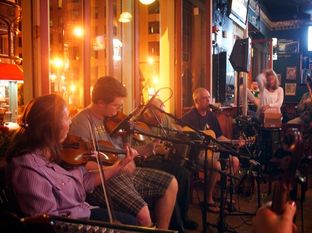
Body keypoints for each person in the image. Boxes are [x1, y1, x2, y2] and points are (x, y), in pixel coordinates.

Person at [5, 94, 137, 224]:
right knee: (131, 224)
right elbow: (50, 224)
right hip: (75, 224)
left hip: (84, 211)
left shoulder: (51, 155)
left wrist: (119, 165)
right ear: (51, 126)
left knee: (131, 221)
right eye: (66, 117)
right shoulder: (29, 170)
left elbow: (84, 181)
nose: (70, 121)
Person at [69, 76, 178, 229]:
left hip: (123, 171)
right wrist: (118, 165)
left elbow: (120, 150)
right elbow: (83, 164)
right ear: (100, 103)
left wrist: (145, 149)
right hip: (103, 179)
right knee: (144, 215)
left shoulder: (112, 119)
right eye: (115, 106)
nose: (119, 110)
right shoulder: (81, 123)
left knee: (171, 184)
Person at [134, 98, 198, 231]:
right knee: (170, 179)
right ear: (147, 114)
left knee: (184, 174)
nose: (161, 120)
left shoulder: (164, 118)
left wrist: (178, 136)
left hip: (161, 160)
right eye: (157, 117)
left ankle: (183, 217)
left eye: (162, 115)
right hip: (146, 163)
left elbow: (174, 130)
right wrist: (156, 150)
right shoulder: (137, 125)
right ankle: (176, 223)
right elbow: (137, 154)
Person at [181, 87, 240, 213]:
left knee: (234, 161)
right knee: (216, 165)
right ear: (196, 101)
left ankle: (220, 193)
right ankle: (208, 200)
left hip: (213, 151)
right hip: (196, 154)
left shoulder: (212, 116)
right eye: (204, 98)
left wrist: (232, 142)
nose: (208, 100)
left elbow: (218, 137)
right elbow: (180, 131)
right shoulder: (189, 117)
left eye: (209, 97)